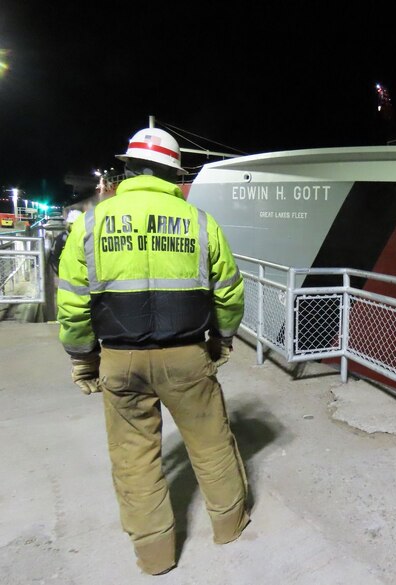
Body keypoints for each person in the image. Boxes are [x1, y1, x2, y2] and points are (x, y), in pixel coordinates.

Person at [56, 127, 250, 575]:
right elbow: (228, 294)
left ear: (128, 168)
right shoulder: (200, 223)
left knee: (134, 458)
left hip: (119, 362)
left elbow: (72, 300)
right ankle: (229, 525)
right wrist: (221, 340)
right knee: (212, 444)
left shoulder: (91, 223)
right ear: (172, 172)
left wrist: (84, 359)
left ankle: (156, 556)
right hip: (187, 357)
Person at [48, 209, 82, 276]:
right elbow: (54, 257)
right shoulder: (62, 238)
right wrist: (61, 272)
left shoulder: (86, 237)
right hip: (67, 275)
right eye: (73, 224)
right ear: (69, 224)